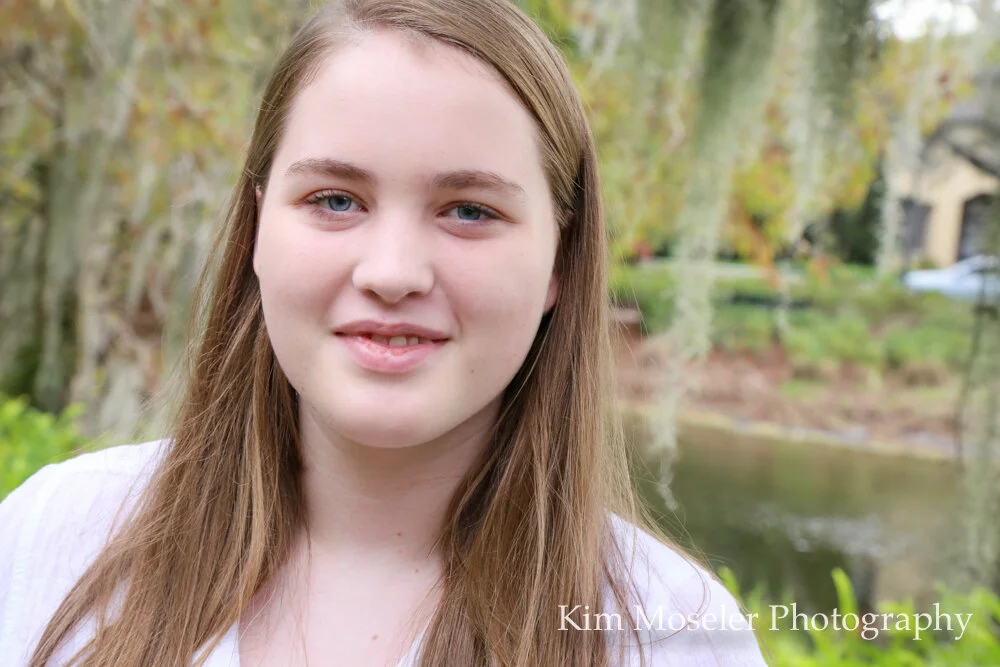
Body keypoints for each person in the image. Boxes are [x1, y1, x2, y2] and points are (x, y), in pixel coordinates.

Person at [0, 1, 767, 665]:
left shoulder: (669, 637)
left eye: (469, 211)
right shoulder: (56, 539)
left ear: (559, 263)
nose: (393, 272)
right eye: (335, 199)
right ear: (257, 228)